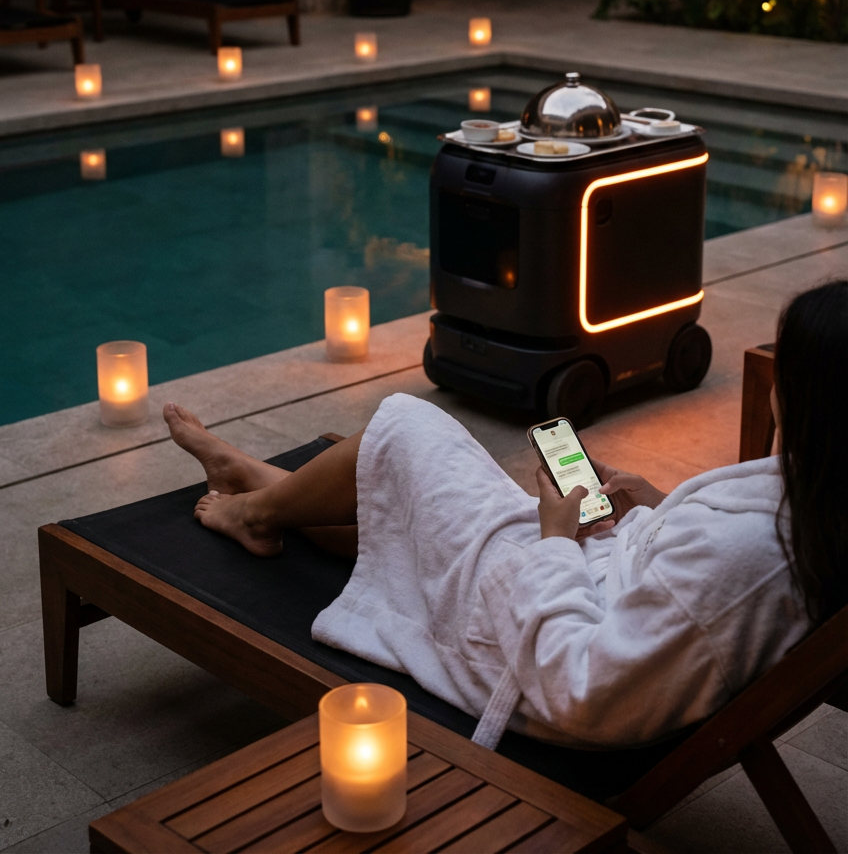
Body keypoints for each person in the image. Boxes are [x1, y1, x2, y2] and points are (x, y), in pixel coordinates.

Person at [163, 279, 847, 750]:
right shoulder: (821, 510)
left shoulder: (748, 557)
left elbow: (582, 688)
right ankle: (264, 487)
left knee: (408, 430)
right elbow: (700, 589)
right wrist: (656, 510)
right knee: (421, 503)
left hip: (528, 652)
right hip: (595, 582)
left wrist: (554, 544)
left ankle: (259, 510)